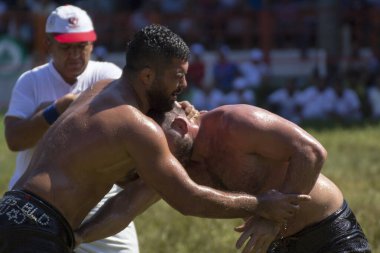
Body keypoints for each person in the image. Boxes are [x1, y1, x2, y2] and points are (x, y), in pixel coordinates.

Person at [0, 24, 309, 253]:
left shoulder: (101, 89)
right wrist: (261, 204)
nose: (184, 84)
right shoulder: (136, 127)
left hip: (12, 209)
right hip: (37, 226)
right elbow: (188, 199)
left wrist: (181, 111)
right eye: (177, 76)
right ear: (147, 76)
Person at [78, 103, 371, 253]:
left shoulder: (234, 123)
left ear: (181, 125)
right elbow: (125, 207)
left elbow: (311, 152)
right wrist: (73, 238)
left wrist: (271, 218)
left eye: (158, 141)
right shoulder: (174, 162)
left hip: (329, 232)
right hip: (277, 244)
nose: (156, 151)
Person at [3, 5, 139, 253]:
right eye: (66, 47)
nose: (75, 54)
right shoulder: (31, 81)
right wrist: (58, 109)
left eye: (82, 46)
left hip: (98, 202)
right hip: (36, 202)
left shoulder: (108, 74)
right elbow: (14, 139)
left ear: (92, 44)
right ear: (48, 45)